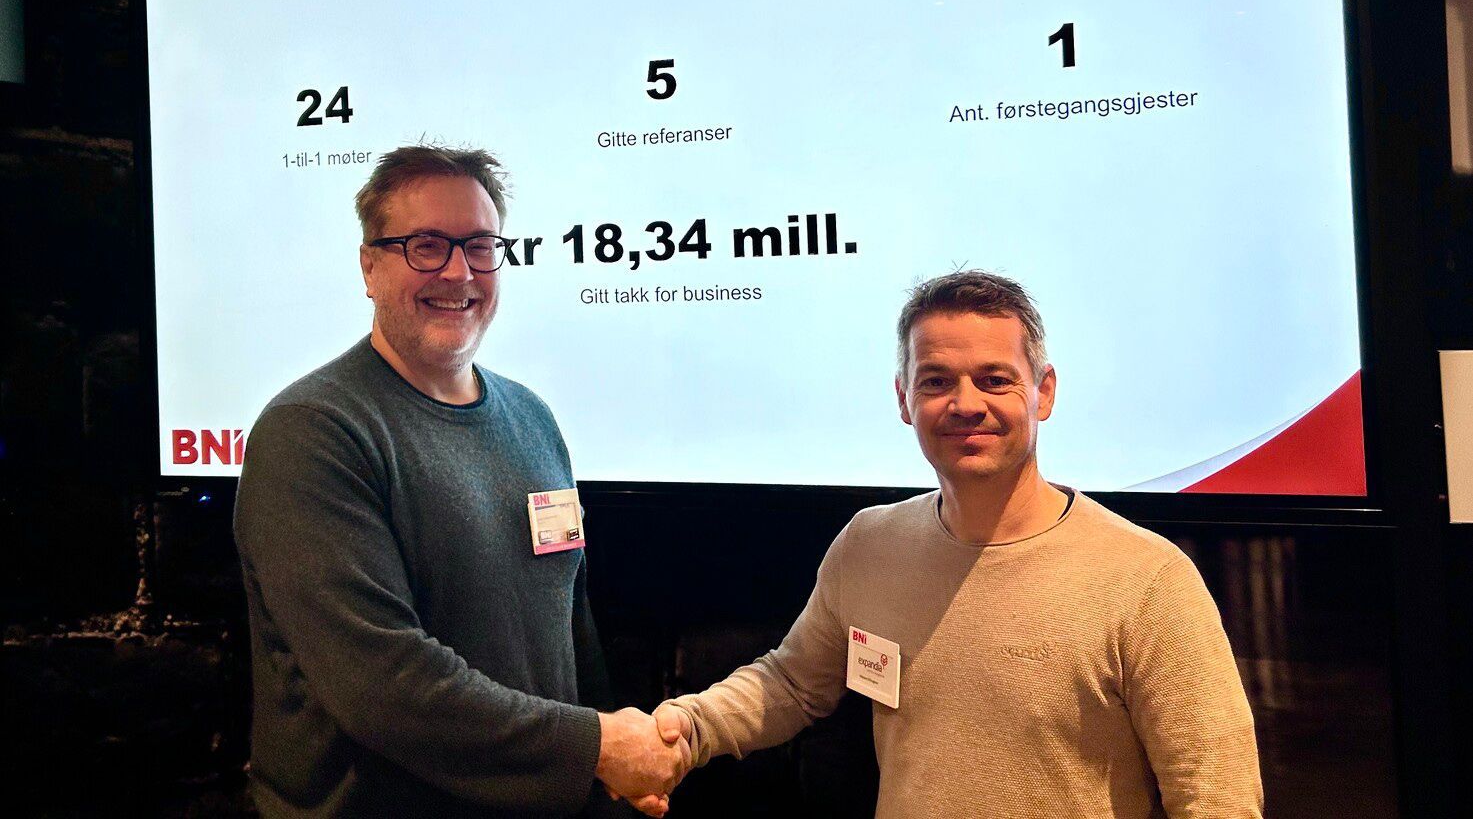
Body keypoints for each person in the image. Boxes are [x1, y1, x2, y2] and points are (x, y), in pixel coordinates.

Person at [651, 270, 1263, 818]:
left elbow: (1217, 798)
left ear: (1044, 392)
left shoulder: (1148, 578)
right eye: (937, 381)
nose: (966, 404)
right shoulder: (869, 546)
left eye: (994, 380)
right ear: (904, 398)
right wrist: (684, 730)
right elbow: (791, 684)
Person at [234, 144, 686, 818]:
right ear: (368, 266)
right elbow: (383, 684)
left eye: (479, 246)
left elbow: (571, 633)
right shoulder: (312, 433)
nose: (458, 271)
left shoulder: (532, 418)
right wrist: (595, 748)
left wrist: (603, 783)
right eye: (425, 246)